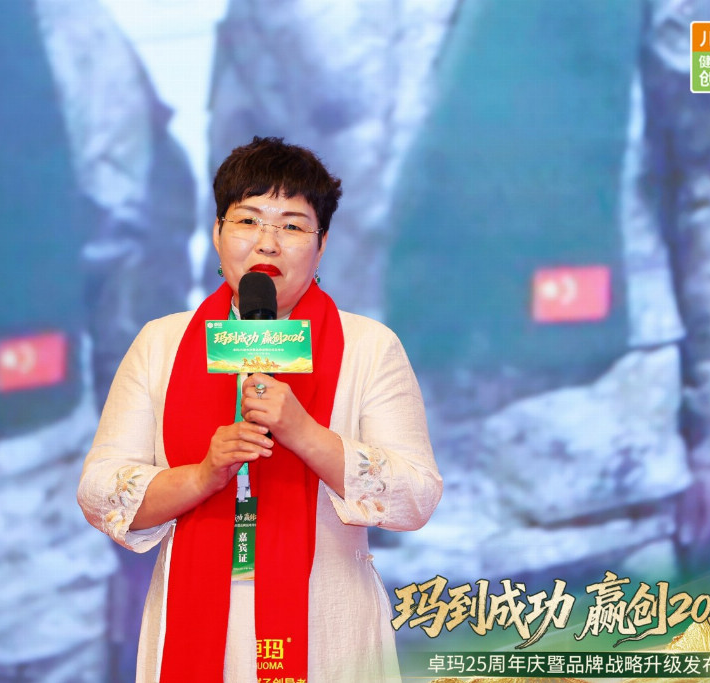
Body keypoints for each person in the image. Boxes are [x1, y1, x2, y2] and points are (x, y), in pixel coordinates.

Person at [77, 136, 442, 682]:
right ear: (218, 233)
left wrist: (304, 432)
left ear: (321, 246)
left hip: (327, 627)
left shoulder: (368, 347)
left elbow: (416, 497)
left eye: (292, 226)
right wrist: (202, 476)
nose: (267, 243)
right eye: (248, 221)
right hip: (193, 619)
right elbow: (99, 490)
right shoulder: (162, 344)